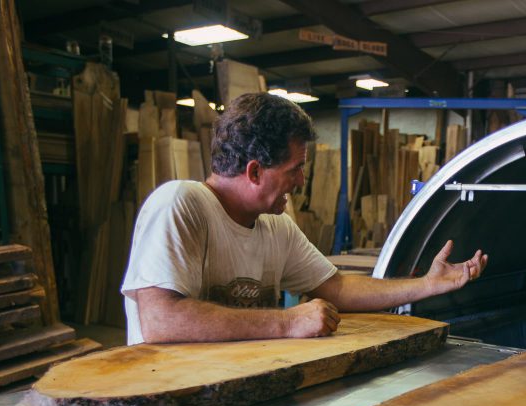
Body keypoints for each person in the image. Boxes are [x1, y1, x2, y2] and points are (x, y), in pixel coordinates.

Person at [121, 92, 488, 345]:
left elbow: (337, 288)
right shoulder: (181, 204)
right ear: (253, 172)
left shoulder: (275, 226)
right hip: (165, 403)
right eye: (295, 169)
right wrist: (287, 320)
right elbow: (160, 321)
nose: (300, 182)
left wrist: (427, 284)